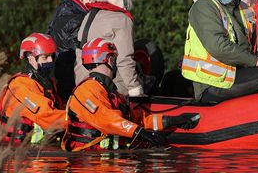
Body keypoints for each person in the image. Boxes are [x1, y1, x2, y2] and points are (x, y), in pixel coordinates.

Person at [64, 38, 200, 151]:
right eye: (114, 59)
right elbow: (108, 121)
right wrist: (140, 133)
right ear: (110, 60)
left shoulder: (110, 92)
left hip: (105, 160)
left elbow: (138, 120)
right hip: (87, 161)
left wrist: (171, 120)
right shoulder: (87, 90)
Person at [74, 0, 148, 97]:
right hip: (109, 87)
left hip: (82, 84)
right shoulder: (122, 19)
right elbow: (124, 59)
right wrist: (135, 89)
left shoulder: (89, 15)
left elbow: (79, 51)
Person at [0, 33, 65, 144]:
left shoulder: (46, 82)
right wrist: (78, 120)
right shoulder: (21, 84)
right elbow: (46, 115)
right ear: (31, 58)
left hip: (39, 148)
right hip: (19, 153)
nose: (50, 61)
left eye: (52, 56)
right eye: (45, 57)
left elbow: (58, 107)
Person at [47, 0, 99, 101]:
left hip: (57, 71)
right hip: (68, 75)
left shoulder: (64, 9)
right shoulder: (77, 18)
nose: (95, 2)